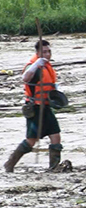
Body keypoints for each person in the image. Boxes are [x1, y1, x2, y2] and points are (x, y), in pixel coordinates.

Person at [6, 39, 65, 173]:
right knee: (31, 141)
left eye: (49, 51)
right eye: (44, 52)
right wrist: (37, 64)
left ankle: (54, 167)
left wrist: (57, 90)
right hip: (35, 108)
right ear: (37, 53)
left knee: (56, 136)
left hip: (46, 106)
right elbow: (25, 78)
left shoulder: (47, 66)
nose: (48, 54)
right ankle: (10, 164)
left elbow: (50, 84)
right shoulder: (34, 65)